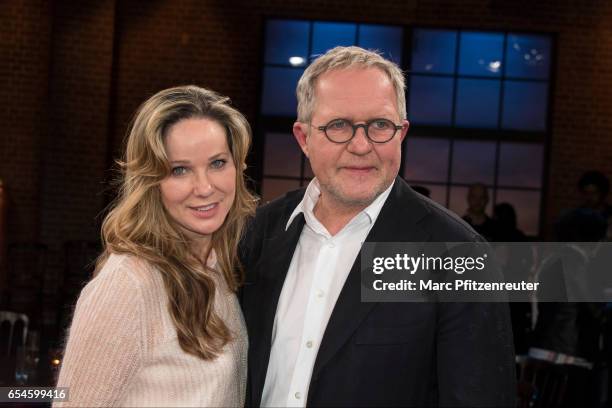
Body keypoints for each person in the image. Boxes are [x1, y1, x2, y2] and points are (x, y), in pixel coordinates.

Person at [240, 46, 516, 407]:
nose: (360, 145)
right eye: (339, 125)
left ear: (401, 133)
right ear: (304, 138)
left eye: (380, 126)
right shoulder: (255, 234)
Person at [55, 85, 256, 407]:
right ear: (151, 181)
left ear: (238, 167)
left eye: (218, 163)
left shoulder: (217, 269)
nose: (205, 187)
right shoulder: (128, 284)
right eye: (179, 170)